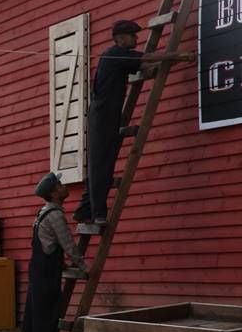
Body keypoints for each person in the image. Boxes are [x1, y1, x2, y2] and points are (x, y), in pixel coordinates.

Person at [73, 20, 195, 225]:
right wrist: (178, 55)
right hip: (103, 116)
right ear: (120, 38)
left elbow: (146, 65)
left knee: (101, 161)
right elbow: (148, 57)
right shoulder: (115, 54)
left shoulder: (119, 57)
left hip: (106, 115)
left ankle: (84, 211)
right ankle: (98, 214)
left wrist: (172, 62)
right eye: (132, 35)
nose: (136, 39)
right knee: (102, 165)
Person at [21, 173, 88, 332]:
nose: (64, 187)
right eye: (59, 185)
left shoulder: (42, 212)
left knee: (35, 312)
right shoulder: (55, 215)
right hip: (46, 270)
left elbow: (47, 242)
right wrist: (83, 266)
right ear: (53, 193)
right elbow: (67, 244)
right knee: (48, 313)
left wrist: (62, 264)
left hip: (38, 266)